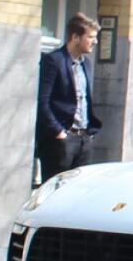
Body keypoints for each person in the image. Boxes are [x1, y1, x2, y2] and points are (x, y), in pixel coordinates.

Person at [36, 14, 100, 181]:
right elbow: (42, 101)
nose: (95, 42)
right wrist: (58, 132)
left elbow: (84, 99)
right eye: (91, 37)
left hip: (84, 139)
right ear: (75, 37)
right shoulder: (53, 60)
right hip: (60, 140)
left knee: (78, 191)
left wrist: (89, 134)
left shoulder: (86, 63)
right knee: (55, 190)